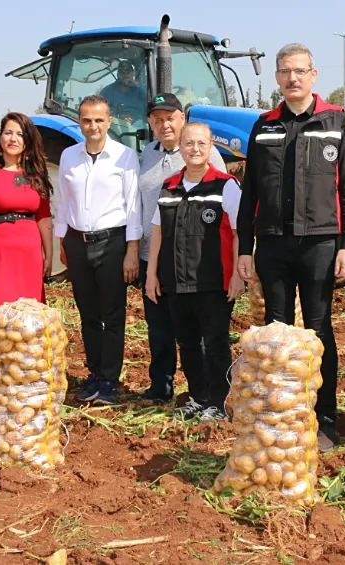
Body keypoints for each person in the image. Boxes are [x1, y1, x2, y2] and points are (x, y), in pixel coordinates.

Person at [236, 43, 345, 451]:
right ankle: (282, 411)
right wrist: (244, 247)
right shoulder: (264, 125)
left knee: (320, 330)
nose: (293, 78)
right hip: (272, 244)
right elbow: (250, 189)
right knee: (277, 331)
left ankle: (324, 417)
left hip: (320, 244)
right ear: (276, 78)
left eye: (300, 71)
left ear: (313, 74)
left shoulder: (337, 121)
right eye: (285, 71)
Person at [145, 122, 244, 420]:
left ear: (211, 145)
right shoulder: (170, 186)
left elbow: (239, 233)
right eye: (189, 143)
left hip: (214, 282)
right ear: (182, 146)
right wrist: (151, 274)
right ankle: (198, 397)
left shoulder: (225, 185)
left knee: (214, 343)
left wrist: (238, 274)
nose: (195, 149)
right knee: (186, 342)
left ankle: (218, 402)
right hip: (176, 281)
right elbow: (158, 233)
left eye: (202, 144)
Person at [138, 93, 227, 402]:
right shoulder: (147, 153)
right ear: (150, 123)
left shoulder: (205, 157)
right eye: (157, 119)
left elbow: (228, 216)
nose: (164, 125)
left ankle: (208, 395)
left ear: (182, 119)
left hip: (198, 264)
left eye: (170, 118)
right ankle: (162, 386)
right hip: (156, 258)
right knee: (160, 330)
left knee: (203, 336)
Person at [55, 95, 142, 405]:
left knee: (113, 314)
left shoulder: (124, 156)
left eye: (98, 120)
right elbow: (64, 202)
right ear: (80, 122)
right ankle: (94, 372)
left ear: (109, 121)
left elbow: (133, 206)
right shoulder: (68, 156)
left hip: (112, 242)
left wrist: (132, 250)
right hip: (78, 242)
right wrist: (62, 240)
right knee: (88, 314)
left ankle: (109, 378)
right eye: (87, 120)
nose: (92, 126)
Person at [0, 113, 54, 324]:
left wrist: (48, 255)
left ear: (28, 141)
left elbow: (43, 217)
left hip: (28, 254)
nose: (13, 139)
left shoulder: (36, 174)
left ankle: (24, 357)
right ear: (0, 137)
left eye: (20, 134)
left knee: (29, 314)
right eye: (8, 133)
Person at [99, 59, 147, 124]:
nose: (125, 75)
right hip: (115, 126)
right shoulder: (108, 91)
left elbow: (152, 100)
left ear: (133, 73)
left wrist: (136, 84)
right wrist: (119, 117)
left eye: (128, 72)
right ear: (118, 75)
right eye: (122, 73)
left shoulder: (140, 89)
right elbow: (100, 110)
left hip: (139, 126)